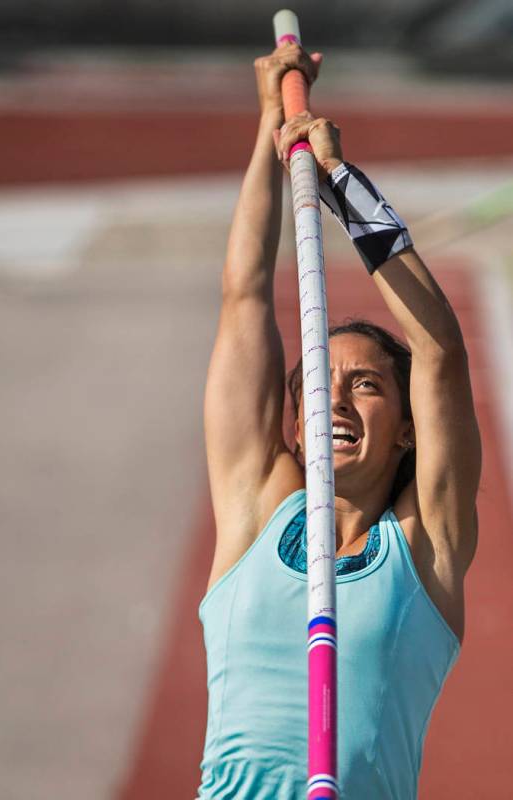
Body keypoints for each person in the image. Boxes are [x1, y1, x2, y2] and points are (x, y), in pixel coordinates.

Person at [196, 43, 480, 800]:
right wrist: (272, 128)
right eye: (321, 385)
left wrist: (343, 187)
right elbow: (245, 296)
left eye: (366, 386)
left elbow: (439, 351)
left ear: (409, 428)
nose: (337, 402)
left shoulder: (425, 547)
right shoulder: (256, 509)